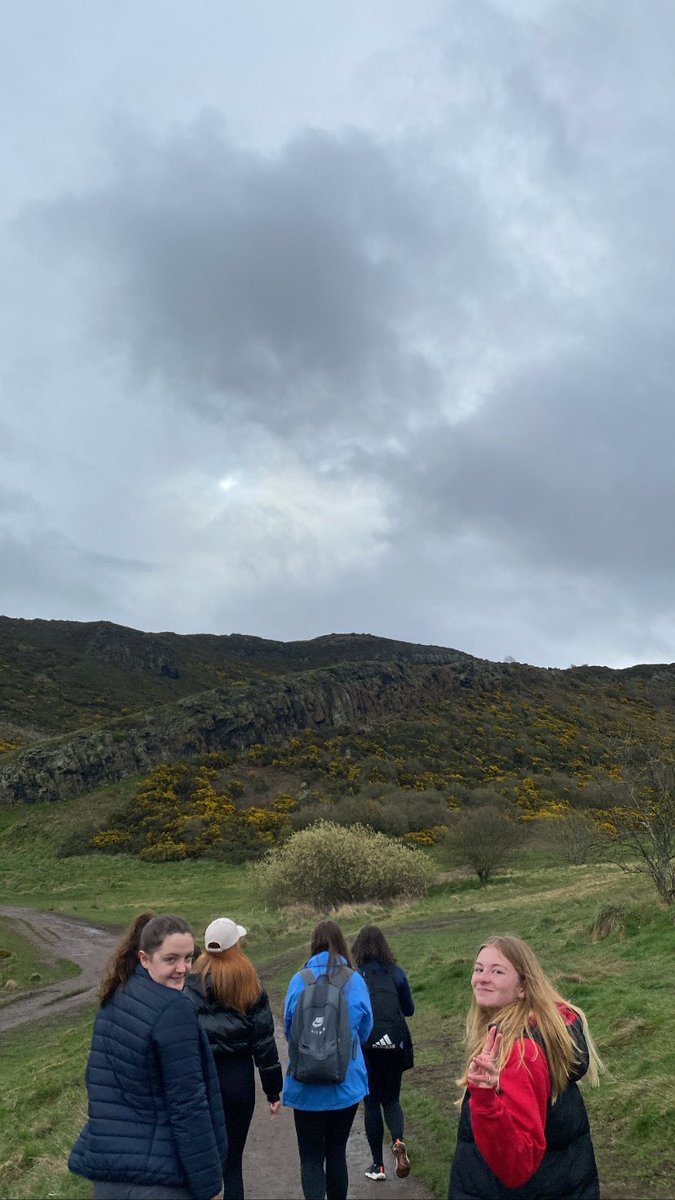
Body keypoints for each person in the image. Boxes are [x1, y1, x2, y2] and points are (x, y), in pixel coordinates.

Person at [69, 911, 226, 1200]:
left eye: (188, 958)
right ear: (144, 958)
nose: (182, 968)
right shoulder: (174, 1009)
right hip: (160, 1181)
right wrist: (210, 1185)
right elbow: (188, 1105)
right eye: (171, 959)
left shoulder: (116, 997)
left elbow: (98, 1082)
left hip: (110, 1177)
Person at [448, 934, 602, 1200]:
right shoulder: (535, 1031)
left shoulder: (521, 1052)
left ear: (523, 987)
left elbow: (517, 1165)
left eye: (497, 971)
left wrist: (485, 1100)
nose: (482, 978)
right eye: (478, 969)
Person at [184, 916, 283, 1200]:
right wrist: (272, 1090)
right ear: (235, 945)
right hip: (238, 1079)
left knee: (206, 1159)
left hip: (202, 1078)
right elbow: (264, 1042)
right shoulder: (249, 982)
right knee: (233, 1162)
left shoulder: (190, 984)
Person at [283, 919, 374, 1200]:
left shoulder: (299, 980)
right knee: (336, 1154)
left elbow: (289, 1029)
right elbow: (367, 1028)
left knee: (310, 1158)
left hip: (306, 1082)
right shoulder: (354, 980)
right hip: (343, 1082)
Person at [352, 924, 415, 1182]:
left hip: (368, 1048)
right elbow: (409, 1009)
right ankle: (398, 1140)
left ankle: (378, 1165)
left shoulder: (357, 977)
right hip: (395, 1047)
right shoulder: (396, 973)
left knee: (371, 1103)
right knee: (391, 1099)